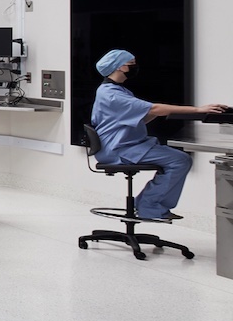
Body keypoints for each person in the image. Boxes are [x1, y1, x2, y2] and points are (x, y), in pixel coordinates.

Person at [90, 49, 229, 221]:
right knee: (180, 160)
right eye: (131, 63)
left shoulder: (114, 90)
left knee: (177, 158)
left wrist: (159, 112)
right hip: (119, 149)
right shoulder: (112, 94)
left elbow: (142, 117)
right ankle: (150, 207)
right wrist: (198, 110)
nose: (135, 66)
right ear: (119, 67)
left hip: (123, 145)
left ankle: (147, 205)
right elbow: (154, 109)